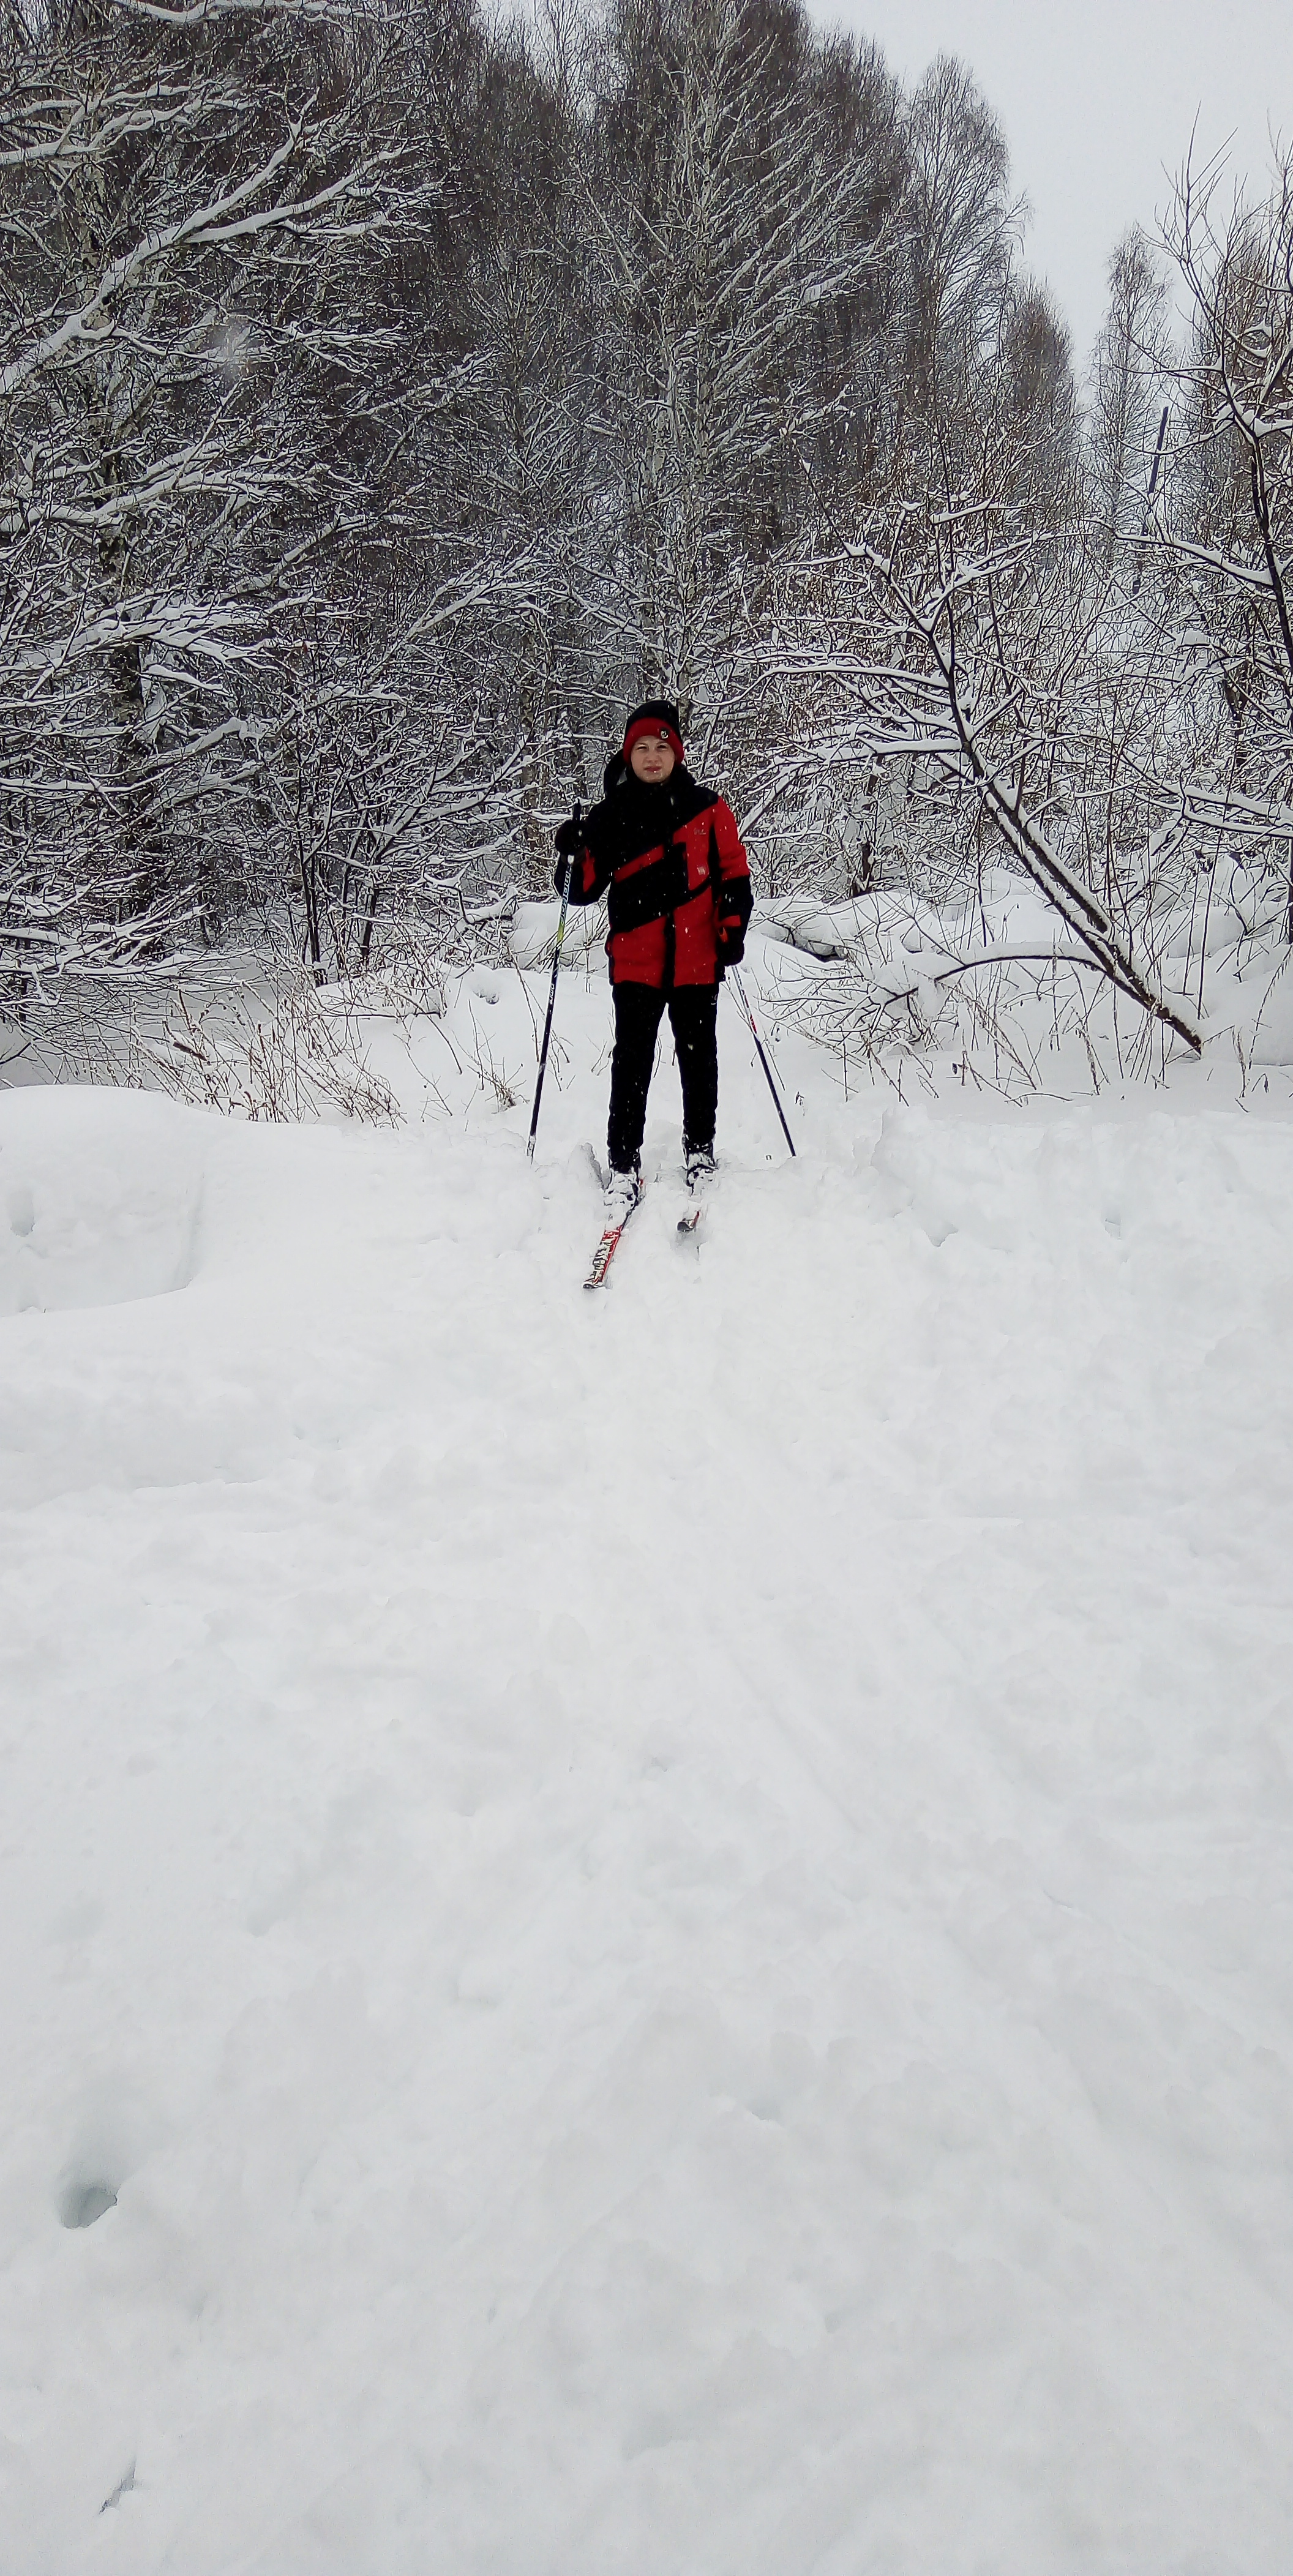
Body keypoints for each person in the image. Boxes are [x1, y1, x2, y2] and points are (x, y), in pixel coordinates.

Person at [554, 699, 752, 1221]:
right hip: (637, 963)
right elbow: (581, 890)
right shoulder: (611, 815)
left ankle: (700, 1149)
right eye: (640, 748)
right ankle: (623, 1164)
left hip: (697, 960)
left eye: (661, 748)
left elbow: (734, 875)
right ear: (627, 754)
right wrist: (572, 852)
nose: (651, 757)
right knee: (633, 1062)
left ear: (676, 752)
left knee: (698, 1058)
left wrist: (732, 928)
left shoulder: (708, 809)